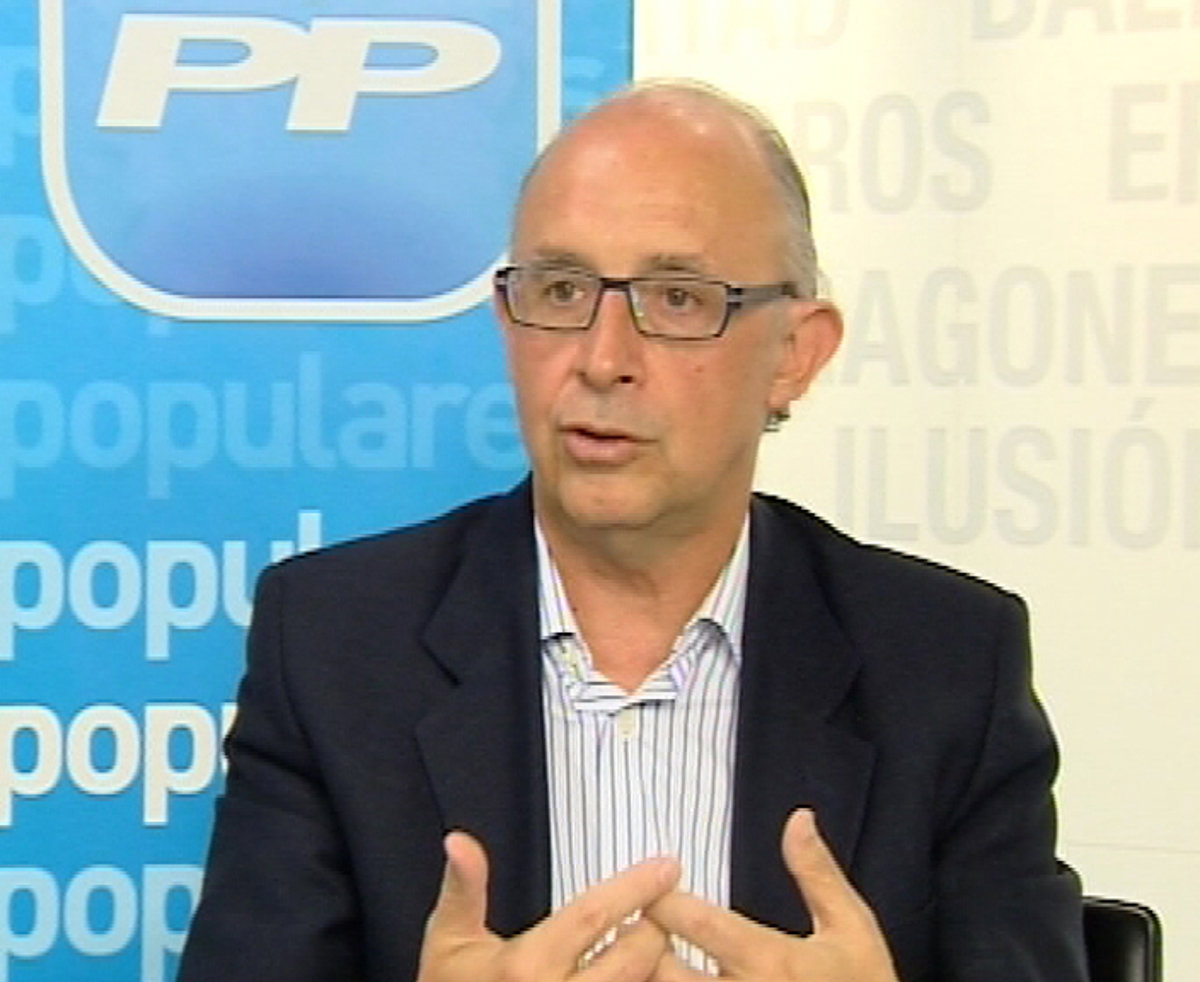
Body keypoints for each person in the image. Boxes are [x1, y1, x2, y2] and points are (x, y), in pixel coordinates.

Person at [178, 80, 1087, 982]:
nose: (603, 358)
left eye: (678, 299)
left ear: (795, 353)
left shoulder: (945, 665)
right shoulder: (337, 646)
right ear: (507, 321)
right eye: (561, 290)